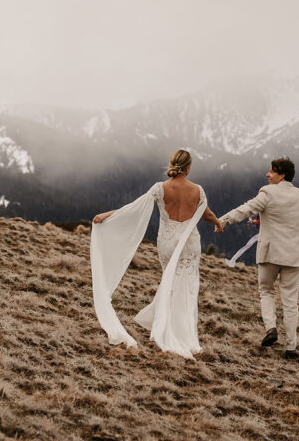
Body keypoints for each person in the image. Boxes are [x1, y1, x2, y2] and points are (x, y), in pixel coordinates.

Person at [90, 149, 222, 359]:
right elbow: (208, 214)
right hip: (189, 244)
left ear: (172, 164)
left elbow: (134, 208)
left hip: (168, 242)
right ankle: (185, 333)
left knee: (170, 283)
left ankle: (166, 325)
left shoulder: (161, 188)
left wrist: (106, 215)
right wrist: (218, 223)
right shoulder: (198, 190)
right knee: (187, 286)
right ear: (188, 168)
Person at [219, 157, 299, 359]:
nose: (267, 174)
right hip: (293, 255)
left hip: (269, 252)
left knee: (266, 291)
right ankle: (291, 347)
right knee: (290, 301)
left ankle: (271, 328)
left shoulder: (268, 192)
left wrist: (223, 221)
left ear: (282, 175)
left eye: (271, 171)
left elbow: (246, 209)